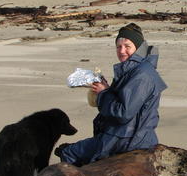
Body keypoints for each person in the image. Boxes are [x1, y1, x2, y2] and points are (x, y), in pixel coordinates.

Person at [56, 23, 167, 166]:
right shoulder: (133, 70)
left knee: (69, 152)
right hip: (127, 134)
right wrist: (107, 89)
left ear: (139, 48)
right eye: (118, 46)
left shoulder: (142, 75)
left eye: (127, 46)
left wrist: (103, 93)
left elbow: (123, 113)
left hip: (128, 139)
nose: (122, 51)